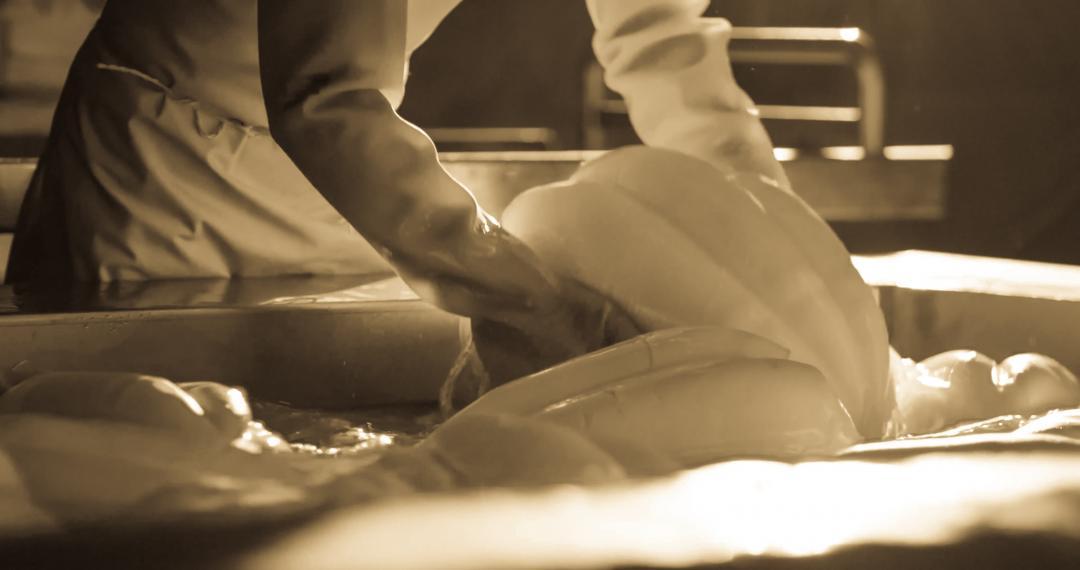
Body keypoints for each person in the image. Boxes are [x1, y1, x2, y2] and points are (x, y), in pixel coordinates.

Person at [5, 0, 786, 383]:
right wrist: (537, 299)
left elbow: (662, 38)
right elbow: (328, 99)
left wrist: (770, 224)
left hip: (325, 174)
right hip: (166, 175)